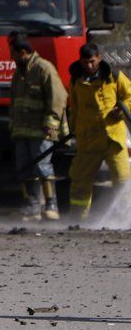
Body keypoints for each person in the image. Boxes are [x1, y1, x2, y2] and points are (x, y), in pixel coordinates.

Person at [67, 43, 131, 219]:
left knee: (123, 178)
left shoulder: (113, 77)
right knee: (80, 182)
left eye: (92, 62)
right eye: (85, 62)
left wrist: (122, 111)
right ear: (80, 61)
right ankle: (77, 220)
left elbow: (129, 95)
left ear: (99, 59)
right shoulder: (75, 81)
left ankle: (124, 218)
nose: (89, 66)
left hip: (113, 138)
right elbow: (75, 107)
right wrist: (73, 129)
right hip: (88, 140)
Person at [9, 34, 66, 220]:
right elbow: (14, 102)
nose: (12, 59)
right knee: (24, 169)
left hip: (41, 131)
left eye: (14, 55)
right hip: (22, 131)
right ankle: (31, 206)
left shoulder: (44, 68)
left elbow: (58, 97)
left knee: (43, 167)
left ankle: (51, 205)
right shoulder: (19, 73)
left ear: (23, 53)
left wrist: (51, 122)